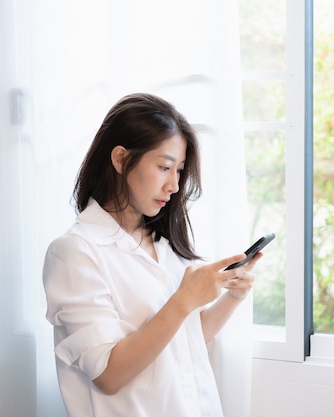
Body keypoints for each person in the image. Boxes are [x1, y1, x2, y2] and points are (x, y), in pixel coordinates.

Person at [42, 93, 261, 417]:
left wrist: (232, 297)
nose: (174, 185)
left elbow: (184, 339)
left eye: (179, 171)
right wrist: (184, 300)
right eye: (164, 167)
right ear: (120, 159)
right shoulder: (75, 252)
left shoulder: (164, 243)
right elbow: (108, 375)